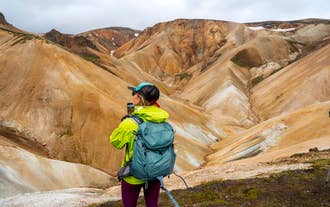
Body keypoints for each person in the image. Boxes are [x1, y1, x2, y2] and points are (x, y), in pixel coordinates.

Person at [110, 82, 169, 207]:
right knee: (152, 205)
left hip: (134, 174)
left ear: (138, 97)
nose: (132, 96)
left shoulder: (130, 123)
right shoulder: (162, 119)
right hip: (155, 171)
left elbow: (115, 142)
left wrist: (125, 123)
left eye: (133, 93)